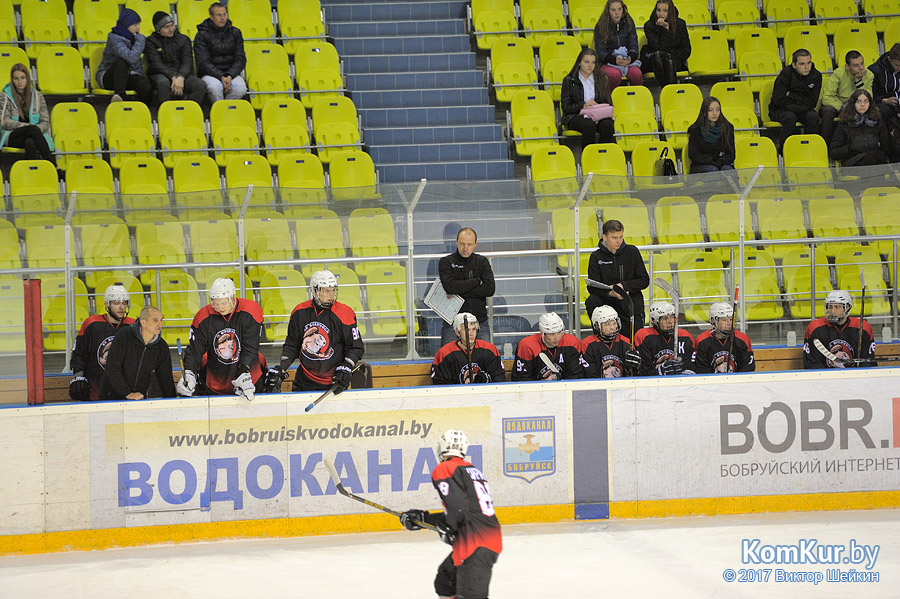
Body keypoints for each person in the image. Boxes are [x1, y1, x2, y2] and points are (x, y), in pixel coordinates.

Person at [400, 429, 502, 599]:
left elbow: (458, 508)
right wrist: (422, 519)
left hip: (475, 543)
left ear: (441, 448)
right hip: (483, 537)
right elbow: (464, 510)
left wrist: (449, 527)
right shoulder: (472, 470)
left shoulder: (445, 468)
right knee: (445, 581)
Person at [272, 270, 364, 393]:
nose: (331, 295)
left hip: (334, 381)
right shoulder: (299, 312)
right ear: (315, 290)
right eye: (326, 291)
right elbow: (292, 346)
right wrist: (281, 368)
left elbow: (356, 348)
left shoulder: (345, 313)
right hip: (303, 379)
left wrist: (346, 367)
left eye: (333, 290)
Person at [176, 278, 265, 401]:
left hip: (249, 381)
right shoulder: (203, 316)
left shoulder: (250, 310)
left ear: (233, 298)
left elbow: (251, 347)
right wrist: (189, 373)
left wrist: (244, 372)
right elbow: (195, 351)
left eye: (223, 303)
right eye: (216, 304)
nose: (220, 307)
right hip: (216, 384)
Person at [69, 284, 136, 401]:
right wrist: (78, 375)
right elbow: (79, 353)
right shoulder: (92, 324)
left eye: (124, 303)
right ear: (106, 304)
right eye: (116, 303)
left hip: (126, 393)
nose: (121, 307)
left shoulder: (133, 325)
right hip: (96, 392)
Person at [584, 219, 650, 337]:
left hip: (629, 298)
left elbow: (644, 280)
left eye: (621, 237)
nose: (618, 241)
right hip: (607, 301)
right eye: (614, 237)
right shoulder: (596, 256)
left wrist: (624, 286)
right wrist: (611, 293)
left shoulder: (632, 252)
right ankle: (601, 338)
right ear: (604, 237)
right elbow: (592, 287)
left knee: (635, 300)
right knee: (592, 300)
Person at [99, 306, 176, 400]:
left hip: (138, 400)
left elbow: (165, 378)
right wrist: (127, 393)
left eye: (161, 320)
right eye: (155, 320)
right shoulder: (124, 336)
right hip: (110, 398)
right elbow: (112, 368)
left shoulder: (161, 346)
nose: (160, 324)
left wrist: (172, 402)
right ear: (143, 322)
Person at [438, 227, 495, 347]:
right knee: (448, 359)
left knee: (485, 358)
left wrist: (458, 289)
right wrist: (476, 281)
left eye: (469, 244)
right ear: (456, 242)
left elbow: (490, 289)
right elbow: (449, 287)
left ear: (475, 244)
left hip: (479, 321)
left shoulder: (482, 262)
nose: (465, 248)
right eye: (462, 244)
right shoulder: (446, 261)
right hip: (452, 322)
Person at [145, 11, 207, 105]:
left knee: (200, 85)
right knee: (163, 83)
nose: (171, 29)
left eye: (172, 25)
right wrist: (172, 77)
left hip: (181, 74)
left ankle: (188, 110)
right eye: (166, 27)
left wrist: (181, 77)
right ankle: (166, 113)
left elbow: (187, 62)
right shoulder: (151, 42)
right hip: (160, 74)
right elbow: (157, 65)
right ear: (158, 30)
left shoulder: (183, 39)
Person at [804, 290, 876, 369]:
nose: (832, 311)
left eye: (837, 307)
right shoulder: (815, 328)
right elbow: (812, 364)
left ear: (847, 308)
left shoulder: (862, 328)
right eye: (830, 307)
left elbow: (868, 363)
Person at [559, 48, 614, 150]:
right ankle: (589, 157)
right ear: (579, 63)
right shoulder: (569, 80)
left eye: (593, 62)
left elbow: (608, 102)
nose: (590, 65)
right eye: (586, 62)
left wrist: (597, 105)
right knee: (589, 125)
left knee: (608, 125)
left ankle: (604, 156)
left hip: (598, 114)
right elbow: (566, 107)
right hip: (575, 115)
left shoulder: (601, 78)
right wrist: (583, 105)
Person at [0, 64, 55, 164]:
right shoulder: (4, 95)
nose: (19, 82)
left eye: (22, 78)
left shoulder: (38, 96)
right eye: (16, 78)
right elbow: (4, 121)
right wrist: (27, 127)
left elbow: (45, 122)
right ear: (12, 80)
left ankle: (31, 173)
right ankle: (53, 165)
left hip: (34, 135)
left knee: (30, 142)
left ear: (27, 79)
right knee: (32, 130)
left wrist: (33, 129)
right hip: (13, 135)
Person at [95, 8, 153, 104]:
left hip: (130, 75)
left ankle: (143, 113)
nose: (138, 28)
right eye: (135, 25)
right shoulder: (114, 38)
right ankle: (119, 96)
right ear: (126, 26)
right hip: (108, 77)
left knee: (145, 87)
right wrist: (140, 40)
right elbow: (131, 58)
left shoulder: (135, 37)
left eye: (138, 24)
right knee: (122, 61)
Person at [768, 48, 822, 152]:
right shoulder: (785, 74)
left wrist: (791, 95)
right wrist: (802, 101)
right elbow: (778, 100)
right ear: (794, 65)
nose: (807, 67)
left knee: (812, 116)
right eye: (802, 64)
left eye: (809, 63)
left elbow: (812, 103)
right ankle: (785, 151)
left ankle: (812, 150)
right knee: (790, 117)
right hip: (780, 109)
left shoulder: (816, 76)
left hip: (802, 109)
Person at [194, 2, 248, 103]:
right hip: (210, 74)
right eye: (219, 15)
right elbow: (203, 62)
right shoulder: (201, 35)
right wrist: (221, 77)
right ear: (211, 17)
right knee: (215, 88)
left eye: (224, 14)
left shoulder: (235, 32)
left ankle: (225, 109)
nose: (223, 18)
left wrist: (229, 75)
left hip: (231, 73)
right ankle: (217, 111)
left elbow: (240, 58)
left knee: (241, 88)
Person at [431, 312, 505, 385]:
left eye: (474, 329)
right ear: (457, 332)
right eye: (467, 330)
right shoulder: (444, 353)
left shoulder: (489, 350)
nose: (471, 333)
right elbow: (441, 385)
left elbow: (499, 379)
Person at [511, 312, 584, 381]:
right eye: (552, 334)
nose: (557, 337)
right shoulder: (527, 346)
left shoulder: (572, 343)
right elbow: (521, 379)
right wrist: (542, 384)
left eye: (559, 332)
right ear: (542, 333)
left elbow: (576, 377)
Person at [820, 51, 874, 144]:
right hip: (837, 104)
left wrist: (859, 82)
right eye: (856, 65)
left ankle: (856, 145)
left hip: (856, 106)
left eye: (862, 63)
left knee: (864, 111)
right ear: (847, 67)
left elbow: (867, 100)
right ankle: (825, 145)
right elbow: (827, 97)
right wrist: (843, 107)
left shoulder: (868, 75)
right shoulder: (839, 73)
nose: (861, 68)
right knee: (827, 111)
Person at [830, 89, 892, 166]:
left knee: (877, 156)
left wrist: (877, 145)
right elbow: (834, 153)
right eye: (859, 101)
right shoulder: (844, 123)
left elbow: (887, 148)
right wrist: (852, 147)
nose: (862, 105)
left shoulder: (877, 120)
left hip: (876, 159)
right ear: (853, 104)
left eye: (866, 101)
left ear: (870, 103)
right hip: (853, 161)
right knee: (874, 157)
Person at [633, 301, 696, 375]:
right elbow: (642, 371)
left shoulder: (685, 337)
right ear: (654, 321)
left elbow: (691, 367)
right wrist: (659, 371)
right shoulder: (644, 336)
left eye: (672, 317)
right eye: (665, 318)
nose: (670, 322)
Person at [593, 0, 642, 91]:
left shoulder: (629, 22)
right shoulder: (601, 25)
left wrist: (630, 58)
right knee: (614, 75)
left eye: (619, 9)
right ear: (608, 11)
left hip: (627, 60)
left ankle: (635, 101)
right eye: (613, 10)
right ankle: (611, 101)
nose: (617, 13)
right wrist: (614, 60)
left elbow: (633, 45)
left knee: (637, 74)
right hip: (607, 62)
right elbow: (600, 51)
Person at [640, 0, 690, 87]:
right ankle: (670, 91)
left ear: (670, 11)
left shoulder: (680, 24)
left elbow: (686, 51)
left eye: (665, 11)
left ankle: (667, 90)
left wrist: (669, 54)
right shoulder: (649, 25)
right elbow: (659, 47)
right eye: (658, 10)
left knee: (669, 61)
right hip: (655, 61)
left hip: (675, 60)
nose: (661, 14)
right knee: (659, 55)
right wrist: (666, 29)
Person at [693, 302, 755, 373]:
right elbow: (702, 371)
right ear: (713, 321)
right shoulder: (702, 341)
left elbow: (747, 370)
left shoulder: (742, 340)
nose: (729, 324)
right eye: (724, 320)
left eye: (731, 320)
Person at [582, 306, 641, 378]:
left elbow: (633, 376)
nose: (612, 327)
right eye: (607, 324)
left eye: (614, 323)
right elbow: (590, 376)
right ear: (596, 326)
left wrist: (633, 368)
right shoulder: (588, 344)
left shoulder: (626, 343)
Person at [687, 96, 735, 174]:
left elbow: (731, 154)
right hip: (701, 165)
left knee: (728, 170)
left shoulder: (728, 127)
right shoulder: (695, 129)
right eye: (710, 110)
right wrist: (712, 161)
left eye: (717, 110)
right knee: (712, 170)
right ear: (704, 112)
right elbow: (694, 155)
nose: (715, 113)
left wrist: (721, 161)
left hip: (721, 163)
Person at [869, 43, 900, 124]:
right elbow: (870, 94)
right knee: (882, 112)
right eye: (897, 65)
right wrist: (884, 100)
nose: (899, 68)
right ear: (889, 59)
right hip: (884, 102)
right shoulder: (875, 70)